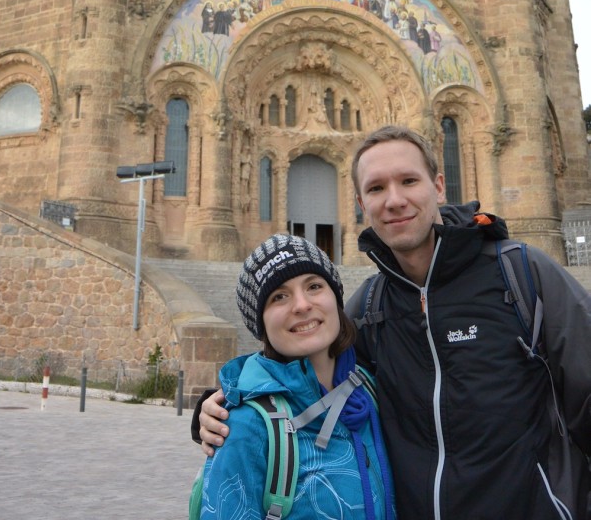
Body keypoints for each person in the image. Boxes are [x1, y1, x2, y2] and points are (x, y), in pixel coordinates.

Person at [196, 126, 591, 519]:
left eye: (408, 181)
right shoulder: (370, 305)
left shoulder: (521, 274)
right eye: (376, 188)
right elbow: (304, 363)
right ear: (360, 203)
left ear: (438, 186)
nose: (395, 200)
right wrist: (219, 407)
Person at [198, 233, 395, 519]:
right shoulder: (245, 425)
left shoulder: (368, 390)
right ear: (261, 324)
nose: (302, 305)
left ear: (336, 298)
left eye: (314, 286)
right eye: (279, 296)